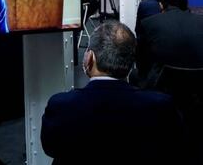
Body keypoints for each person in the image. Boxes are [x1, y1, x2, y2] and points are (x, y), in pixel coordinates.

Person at [41, 21, 186, 165]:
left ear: (90, 57)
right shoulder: (161, 106)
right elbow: (175, 148)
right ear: (131, 62)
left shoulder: (61, 106)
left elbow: (50, 149)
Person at [136, 0, 203, 88]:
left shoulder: (148, 23)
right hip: (198, 86)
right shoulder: (200, 21)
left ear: (161, 5)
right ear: (185, 5)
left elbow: (141, 59)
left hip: (160, 86)